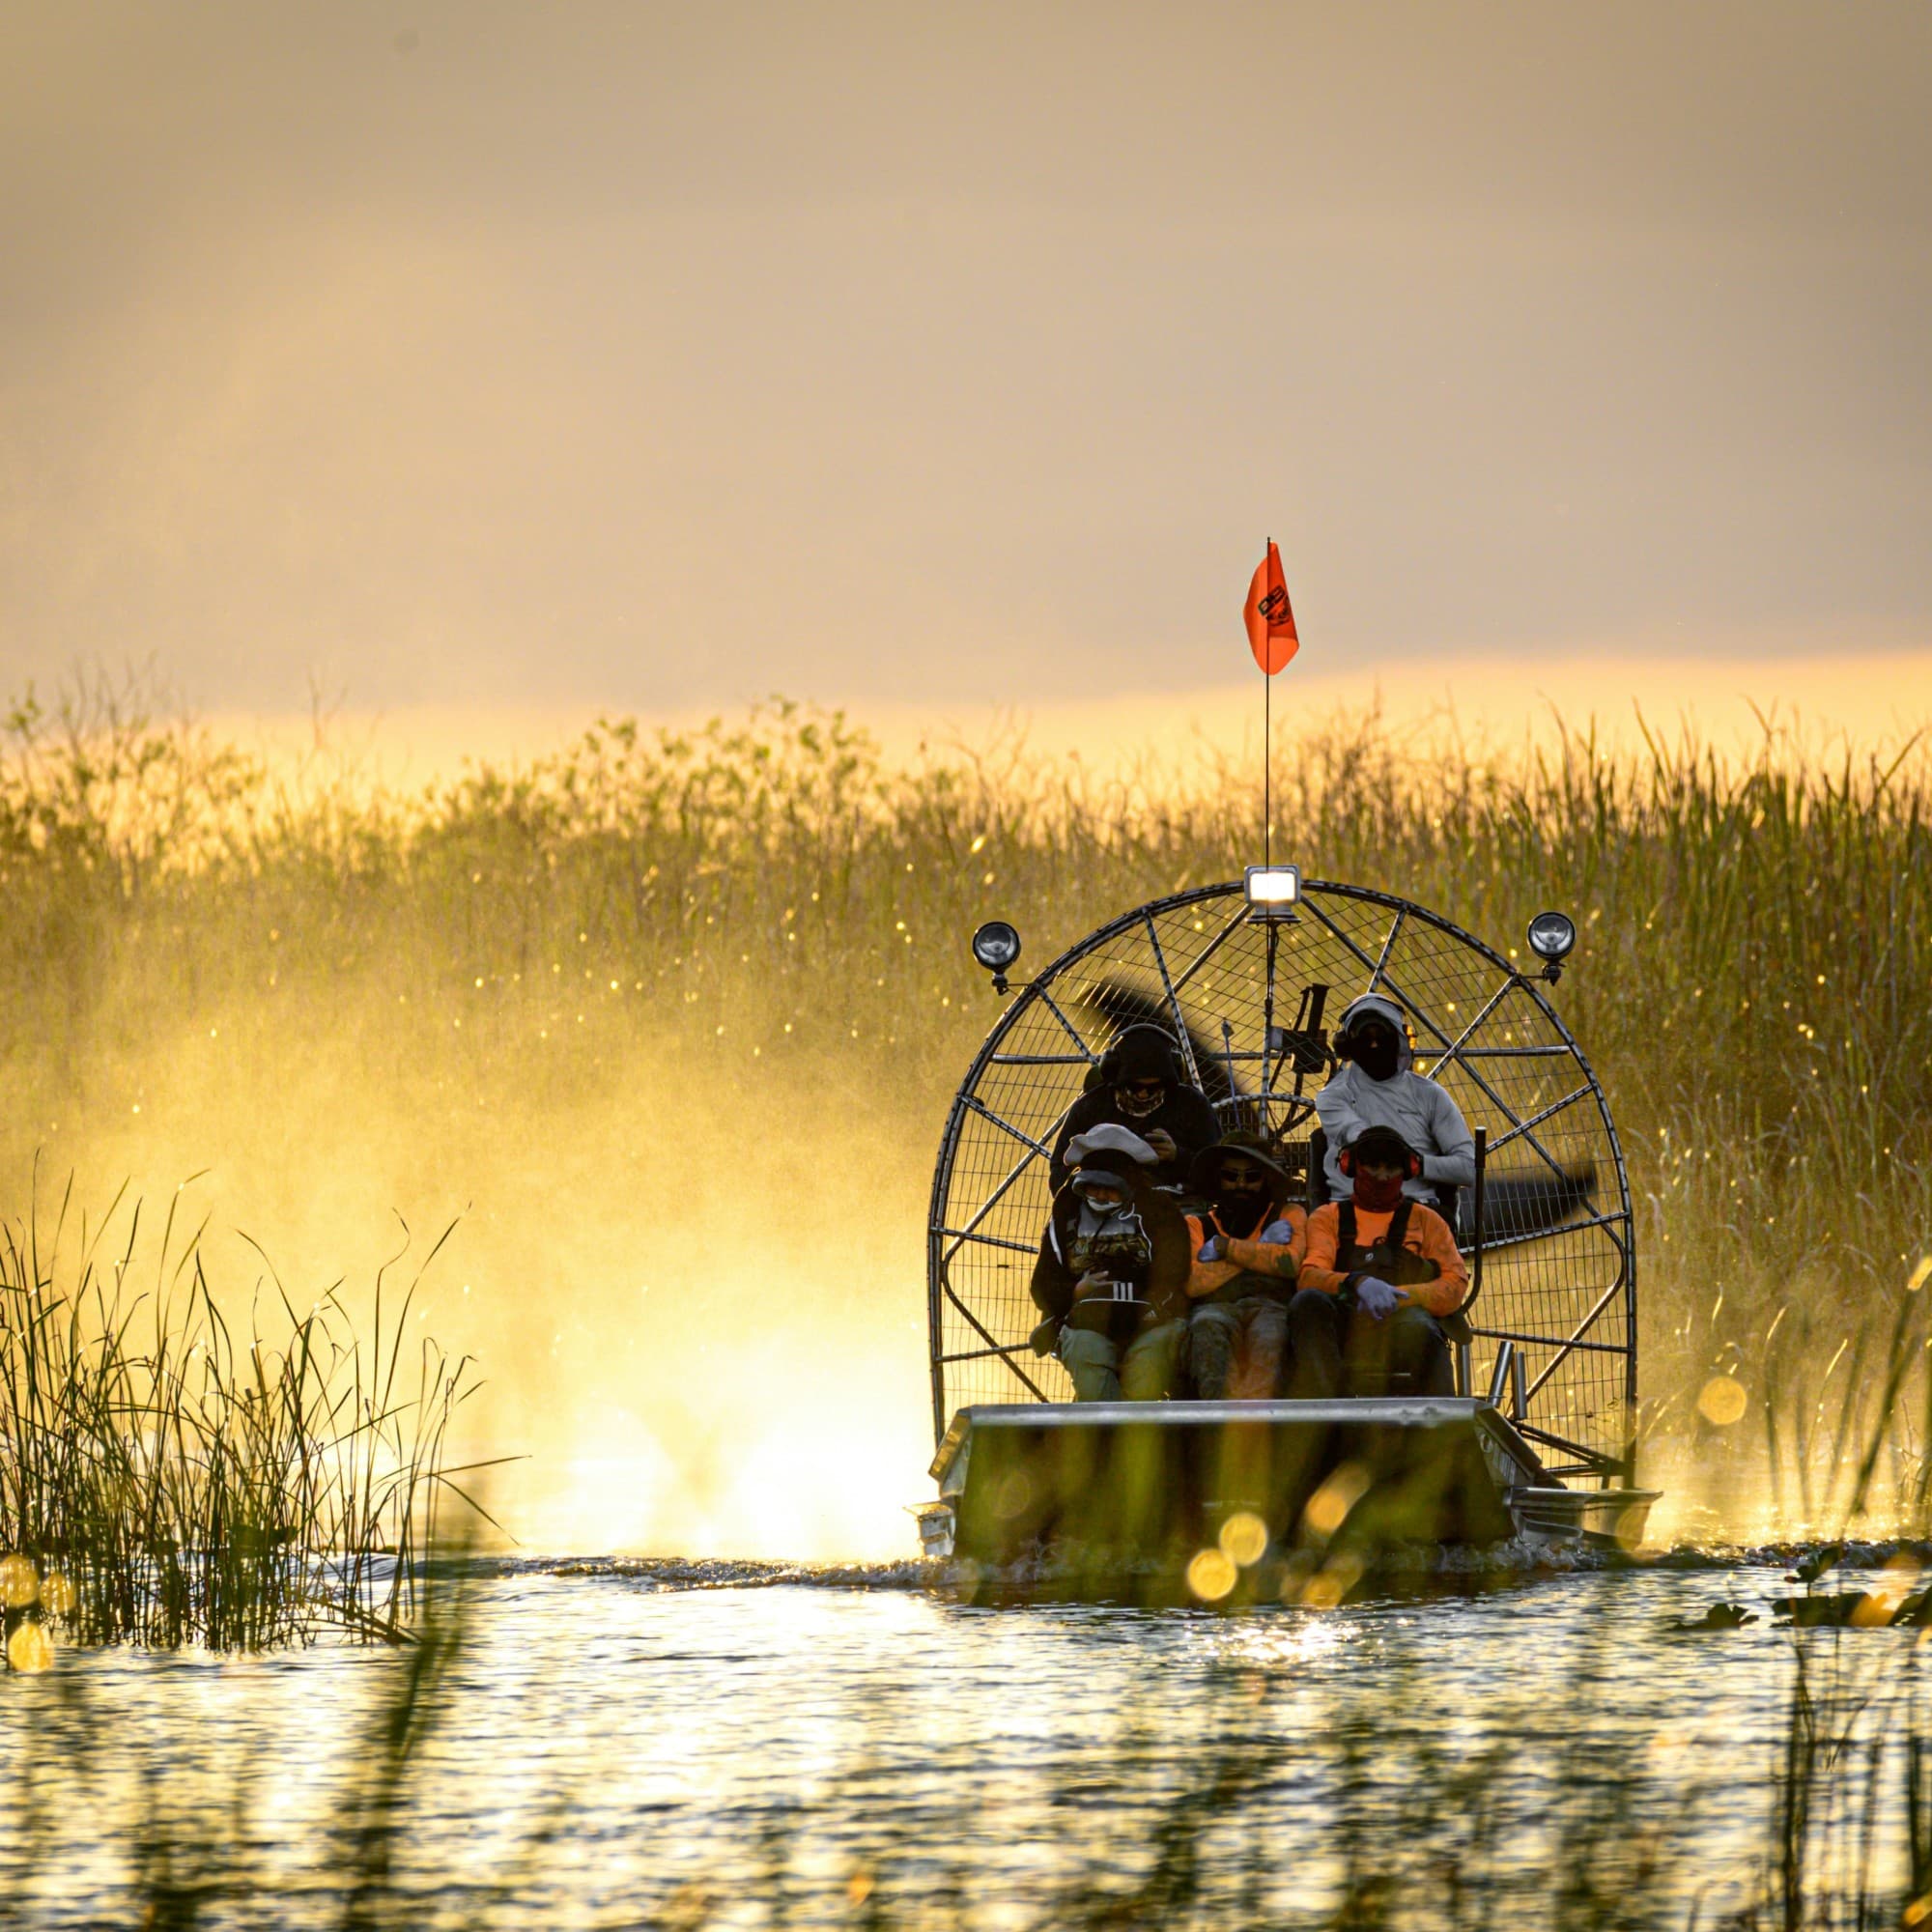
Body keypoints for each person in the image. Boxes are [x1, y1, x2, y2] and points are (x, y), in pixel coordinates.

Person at [1287, 1125, 1467, 1398]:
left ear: (1408, 1170)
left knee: (1421, 1329)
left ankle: (1443, 1428)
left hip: (1403, 1325)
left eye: (1391, 1168)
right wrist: (1357, 1283)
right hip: (1344, 1326)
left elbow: (1455, 1285)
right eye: (1372, 1166)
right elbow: (1310, 1276)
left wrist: (1404, 1297)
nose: (1381, 1176)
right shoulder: (1328, 1217)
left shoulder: (1428, 1220)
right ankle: (1332, 1412)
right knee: (1307, 1303)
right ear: (1350, 1166)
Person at [1030, 1125, 1191, 1402]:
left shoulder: (1160, 1212)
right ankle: (1101, 1433)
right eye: (1094, 1187)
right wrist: (1076, 1291)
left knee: (1145, 1382)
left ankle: (1138, 1438)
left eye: (1111, 1189)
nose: (1101, 1196)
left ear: (1129, 1186)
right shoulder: (1065, 1217)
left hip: (1151, 1324)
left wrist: (1149, 1299)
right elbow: (1042, 1285)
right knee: (1091, 1374)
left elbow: (1177, 1270)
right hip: (1085, 1326)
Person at [1314, 994, 1475, 1210]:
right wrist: (1398, 1157)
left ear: (1402, 1040)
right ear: (1346, 1045)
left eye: (1382, 1036)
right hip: (1348, 1213)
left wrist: (1419, 1165)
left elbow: (1470, 1170)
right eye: (1364, 1038)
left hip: (1417, 1212)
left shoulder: (1431, 1095)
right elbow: (1363, 1138)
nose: (1373, 1044)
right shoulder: (1331, 1097)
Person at [1181, 1130, 1306, 1399]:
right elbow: (1193, 1283)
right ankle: (1218, 1425)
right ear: (1218, 1178)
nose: (1240, 1184)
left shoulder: (1289, 1214)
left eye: (1252, 1177)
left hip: (1272, 1307)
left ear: (1266, 1179)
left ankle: (1257, 1426)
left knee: (1270, 1336)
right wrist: (1261, 1248)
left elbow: (1289, 1264)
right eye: (1231, 1176)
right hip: (1215, 1308)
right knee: (1207, 1326)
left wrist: (1224, 1249)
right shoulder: (1196, 1224)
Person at [1049, 1024, 1219, 1195]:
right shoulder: (1091, 1107)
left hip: (1173, 1206)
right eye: (1134, 1086)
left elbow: (1218, 1170)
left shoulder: (1192, 1105)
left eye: (1154, 1088)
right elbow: (1059, 1169)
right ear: (1117, 1078)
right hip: (1103, 1203)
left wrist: (1177, 1156)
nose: (1144, 1095)